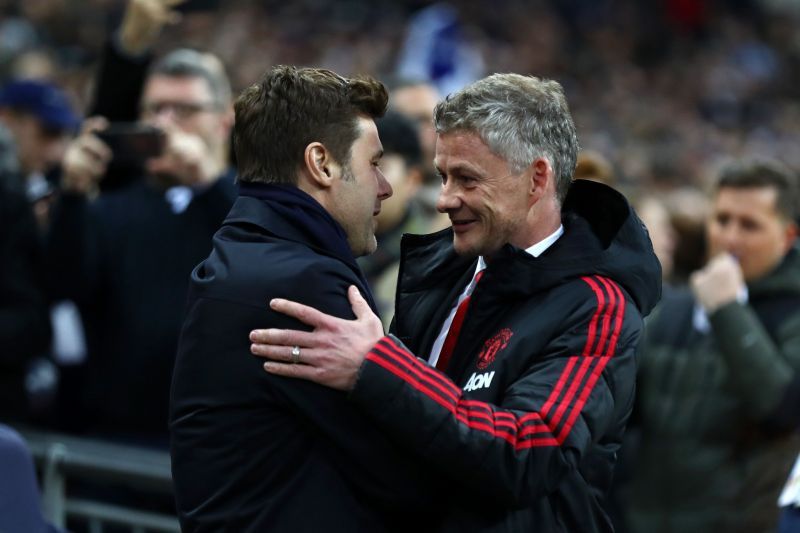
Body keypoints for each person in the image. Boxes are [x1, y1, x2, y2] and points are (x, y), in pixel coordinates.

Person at [250, 73, 662, 532]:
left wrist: (379, 368)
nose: (445, 199)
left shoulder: (597, 305)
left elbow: (528, 452)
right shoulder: (444, 268)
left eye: (466, 179)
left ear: (537, 178)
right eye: (443, 176)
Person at [169, 65, 448, 532]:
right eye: (373, 163)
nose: (385, 186)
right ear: (321, 164)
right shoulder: (308, 283)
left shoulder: (241, 254)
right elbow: (402, 471)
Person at [45, 46, 236, 443]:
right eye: (155, 109)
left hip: (219, 439)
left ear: (224, 118)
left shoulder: (252, 202)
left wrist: (206, 182)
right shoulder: (110, 209)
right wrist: (74, 196)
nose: (163, 125)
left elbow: (266, 254)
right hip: (116, 433)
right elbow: (64, 287)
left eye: (183, 110)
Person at [626, 159, 800, 533]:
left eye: (749, 225)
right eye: (722, 220)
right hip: (643, 520)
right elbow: (624, 407)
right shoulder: (674, 307)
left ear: (787, 236)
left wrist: (727, 311)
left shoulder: (793, 312)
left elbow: (781, 409)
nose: (730, 237)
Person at [357, 111, 429, 326]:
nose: (370, 182)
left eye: (380, 165)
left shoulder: (430, 261)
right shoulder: (330, 247)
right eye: (359, 166)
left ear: (413, 180)